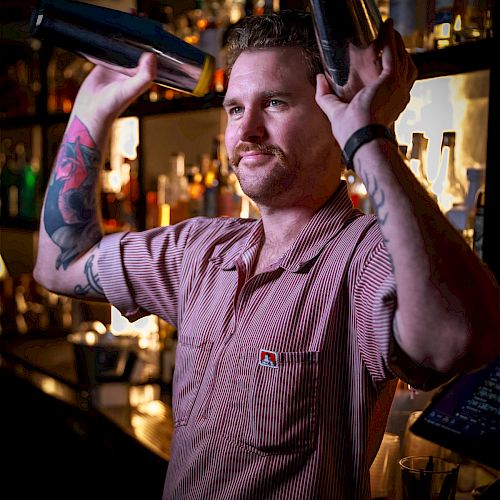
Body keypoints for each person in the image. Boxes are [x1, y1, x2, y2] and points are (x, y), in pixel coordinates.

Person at [34, 10, 499, 500]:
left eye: (274, 102)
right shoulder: (201, 250)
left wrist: (368, 132)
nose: (247, 129)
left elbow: (462, 337)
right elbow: (59, 264)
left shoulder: (362, 262)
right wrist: (91, 108)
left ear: (333, 113)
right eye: (235, 109)